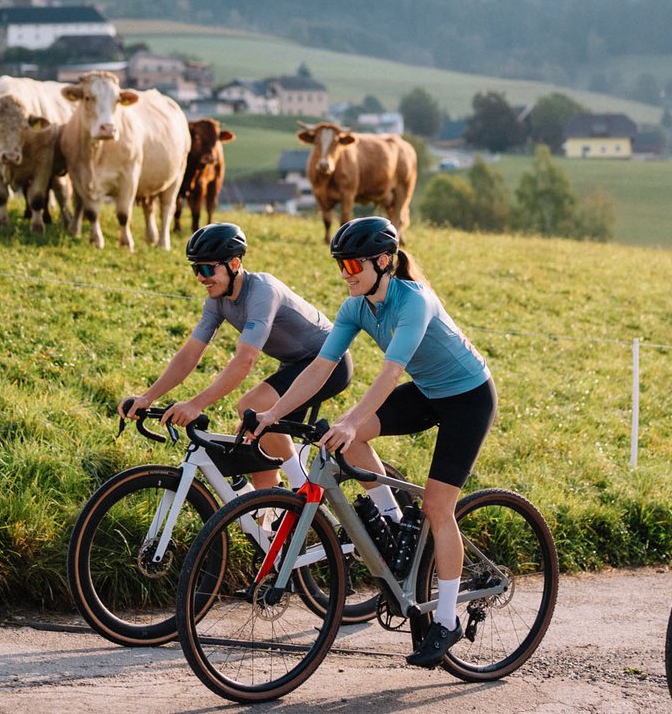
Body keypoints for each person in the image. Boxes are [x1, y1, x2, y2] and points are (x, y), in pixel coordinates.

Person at [246, 216, 496, 669]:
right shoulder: (355, 307)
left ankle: (445, 619)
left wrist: (352, 420)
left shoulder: (414, 301)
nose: (346, 273)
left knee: (439, 507)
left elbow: (390, 373)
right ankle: (397, 523)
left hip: (468, 398)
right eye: (340, 265)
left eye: (353, 264)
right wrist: (272, 414)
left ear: (384, 261)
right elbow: (320, 367)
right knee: (346, 438)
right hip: (427, 392)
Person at [119, 222, 351, 492]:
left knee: (251, 406)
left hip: (329, 363)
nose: (200, 278)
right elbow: (190, 353)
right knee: (260, 464)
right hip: (295, 366)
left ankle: (307, 491)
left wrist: (196, 404)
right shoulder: (217, 299)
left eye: (207, 269)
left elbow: (245, 361)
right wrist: (148, 397)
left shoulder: (263, 291)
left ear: (235, 263)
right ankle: (270, 528)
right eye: (196, 269)